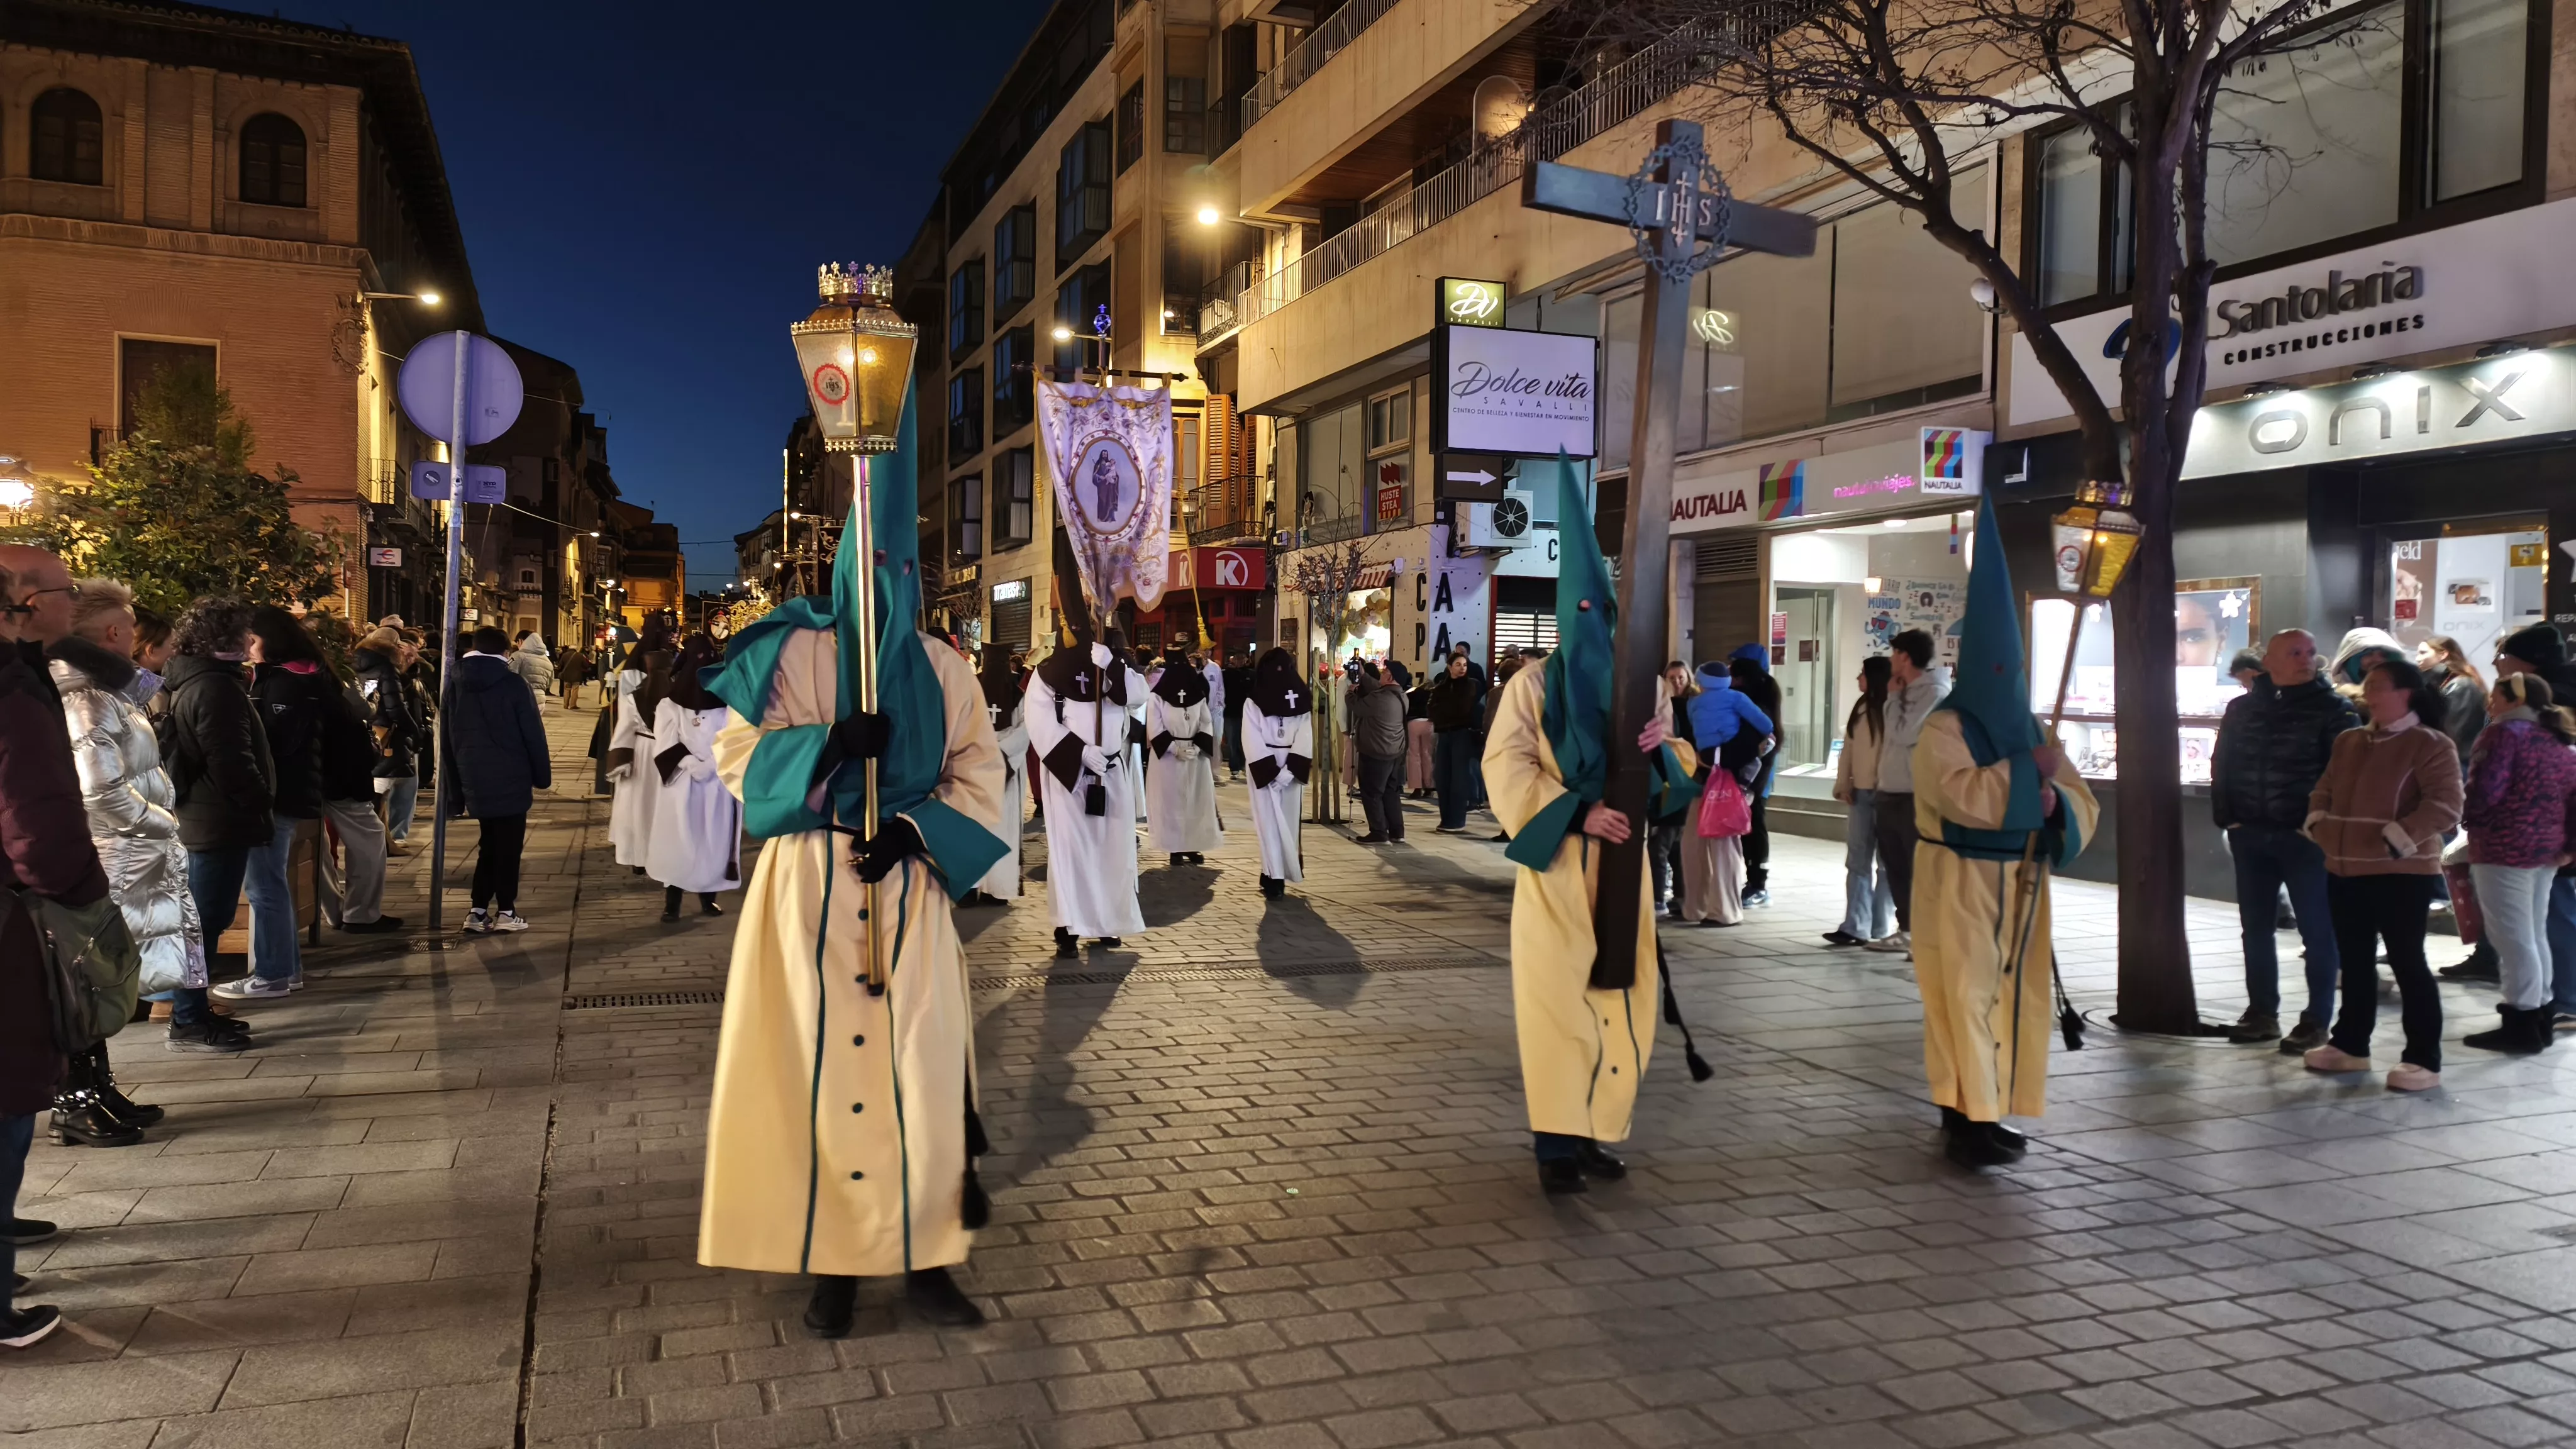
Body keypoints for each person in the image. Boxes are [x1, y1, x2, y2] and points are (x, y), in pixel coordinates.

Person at [696, 407, 1006, 1336]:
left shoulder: (943, 667)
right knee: (818, 1072)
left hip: (907, 892)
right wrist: (827, 747)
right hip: (807, 890)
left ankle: (927, 1257)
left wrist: (914, 830)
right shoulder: (786, 654)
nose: (883, 584)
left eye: (898, 569)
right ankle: (833, 1264)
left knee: (923, 1069)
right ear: (838, 567)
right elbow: (736, 759)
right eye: (868, 566)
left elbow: (981, 773)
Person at [1482, 462, 1696, 1195]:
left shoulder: (1642, 688)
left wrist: (1657, 754)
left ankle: (1599, 1128)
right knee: (1556, 1004)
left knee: (1622, 996)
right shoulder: (1531, 687)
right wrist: (1577, 810)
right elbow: (1506, 768)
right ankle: (1556, 1143)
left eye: (1599, 610)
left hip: (1624, 871)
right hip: (1558, 871)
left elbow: (1675, 770)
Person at [1907, 502, 2102, 1169]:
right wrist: (2026, 779)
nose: (2006, 682)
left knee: (2012, 995)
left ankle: (1991, 1108)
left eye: (2013, 671)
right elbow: (1958, 795)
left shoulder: (2032, 727)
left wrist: (2054, 803)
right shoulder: (1943, 728)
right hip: (1958, 881)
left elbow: (2079, 799)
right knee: (1963, 996)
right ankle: (1962, 1115)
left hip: (2020, 881)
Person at [1, 557, 119, 1347]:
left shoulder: (33, 679)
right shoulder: (13, 695)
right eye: (63, 590)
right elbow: (38, 823)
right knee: (7, 1103)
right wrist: (81, 893)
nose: (73, 601)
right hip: (15, 918)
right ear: (20, 602)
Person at [47, 579, 191, 1142]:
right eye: (130, 626)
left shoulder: (106, 691)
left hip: (120, 852)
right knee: (88, 978)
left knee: (102, 977)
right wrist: (163, 823)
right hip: (112, 854)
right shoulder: (87, 697)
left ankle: (99, 1089)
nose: (136, 636)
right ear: (113, 632)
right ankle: (76, 1102)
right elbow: (100, 790)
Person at [2300, 659, 2462, 1092]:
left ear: (2406, 693)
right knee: (2353, 962)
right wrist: (2319, 822)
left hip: (2401, 872)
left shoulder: (2430, 744)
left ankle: (2423, 1058)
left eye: (2378, 686)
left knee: (2408, 962)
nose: (2368, 694)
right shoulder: (2350, 740)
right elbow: (2324, 787)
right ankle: (2350, 1045)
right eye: (2367, 686)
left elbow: (2446, 804)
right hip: (2344, 867)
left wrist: (2397, 838)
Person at [2208, 628, 2358, 1051]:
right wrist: (2227, 817)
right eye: (2294, 652)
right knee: (2255, 929)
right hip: (2250, 833)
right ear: (2269, 662)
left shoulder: (2334, 709)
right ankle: (2262, 1013)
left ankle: (2316, 1021)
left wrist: (2319, 824)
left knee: (2317, 932)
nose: (2306, 659)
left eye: (2310, 651)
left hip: (2306, 839)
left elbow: (2345, 774)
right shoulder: (2242, 709)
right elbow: (2223, 763)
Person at [155, 596, 267, 1053]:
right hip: (216, 820)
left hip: (207, 818)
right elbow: (230, 760)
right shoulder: (215, 687)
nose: (251, 641)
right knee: (203, 923)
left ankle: (193, 1012)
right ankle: (188, 1019)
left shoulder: (198, 680)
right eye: (243, 632)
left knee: (203, 921)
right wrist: (259, 801)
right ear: (225, 639)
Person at [210, 606, 334, 1002]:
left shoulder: (287, 682)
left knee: (264, 886)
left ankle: (272, 974)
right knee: (270, 884)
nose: (247, 646)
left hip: (277, 795)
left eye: (253, 638)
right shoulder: (292, 676)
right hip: (288, 793)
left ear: (271, 639)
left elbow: (276, 744)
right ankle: (285, 970)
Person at [2457, 674, 2576, 1054]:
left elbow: (2485, 792)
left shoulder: (2502, 735)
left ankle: (2521, 1022)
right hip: (2547, 851)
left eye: (2496, 695)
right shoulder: (2557, 738)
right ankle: (2540, 1015)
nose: (2490, 702)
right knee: (2533, 934)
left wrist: (2470, 822)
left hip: (2503, 850)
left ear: (2515, 699)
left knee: (2512, 938)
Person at [1027, 628, 1145, 954]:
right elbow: (1038, 721)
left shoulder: (1112, 664)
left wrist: (1112, 665)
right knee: (1073, 851)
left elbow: (1139, 695)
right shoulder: (1049, 672)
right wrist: (1080, 753)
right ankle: (1069, 924)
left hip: (1111, 772)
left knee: (1112, 850)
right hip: (1071, 776)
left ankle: (1107, 922)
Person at [442, 626, 552, 933]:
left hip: (473, 776)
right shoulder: (514, 684)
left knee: (489, 844)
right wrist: (542, 777)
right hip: (511, 776)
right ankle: (506, 910)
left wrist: (454, 789)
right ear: (506, 652)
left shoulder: (455, 685)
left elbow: (447, 739)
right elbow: (533, 735)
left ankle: (478, 911)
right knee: (509, 848)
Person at [2493, 625, 2576, 1026]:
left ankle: (2560, 1000)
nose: (2498, 665)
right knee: (2547, 915)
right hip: (2556, 827)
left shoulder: (2546, 703)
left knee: (2548, 917)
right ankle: (2551, 1000)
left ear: (2527, 663)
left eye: (2504, 657)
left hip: (2542, 828)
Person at [1867, 628, 1951, 956]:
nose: (1891, 660)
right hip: (1890, 790)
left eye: (1894, 654)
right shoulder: (1903, 690)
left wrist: (1891, 698)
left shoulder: (1935, 692)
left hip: (1915, 793)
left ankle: (1927, 935)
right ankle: (1907, 931)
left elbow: (1904, 735)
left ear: (1905, 656)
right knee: (1895, 866)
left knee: (1919, 867)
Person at [648, 634, 740, 922]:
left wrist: (712, 764)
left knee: (713, 840)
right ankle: (672, 902)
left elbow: (734, 738)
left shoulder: (728, 703)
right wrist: (690, 762)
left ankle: (709, 898)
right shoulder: (670, 705)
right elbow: (664, 742)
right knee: (680, 842)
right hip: (682, 784)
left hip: (717, 782)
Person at [1679, 659, 1770, 928]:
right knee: (1695, 845)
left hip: (1727, 783)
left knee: (1721, 846)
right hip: (1708, 780)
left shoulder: (1725, 703)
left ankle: (1723, 910)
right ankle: (1700, 906)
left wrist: (1713, 756)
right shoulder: (1733, 701)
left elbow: (1757, 742)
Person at [1826, 656, 1896, 947]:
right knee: (1857, 861)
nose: (1858, 679)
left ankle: (1882, 926)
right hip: (1861, 794)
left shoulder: (1894, 708)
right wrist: (1843, 784)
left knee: (1886, 863)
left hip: (1889, 795)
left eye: (1863, 674)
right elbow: (1848, 751)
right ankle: (1855, 926)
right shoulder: (1861, 708)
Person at [1242, 648, 1313, 898]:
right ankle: (1273, 872)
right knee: (1280, 822)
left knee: (1270, 823)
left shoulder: (1253, 700)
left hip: (1269, 764)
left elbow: (1251, 738)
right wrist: (1289, 770)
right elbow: (1305, 736)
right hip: (1285, 767)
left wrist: (1274, 772)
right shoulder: (1301, 697)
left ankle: (1275, 876)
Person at [607, 619, 676, 874]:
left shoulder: (631, 673)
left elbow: (626, 719)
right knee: (660, 805)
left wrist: (620, 753)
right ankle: (661, 855)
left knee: (638, 805)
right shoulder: (673, 674)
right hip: (666, 748)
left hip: (641, 747)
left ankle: (639, 855)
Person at [1144, 649, 1221, 865]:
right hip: (1169, 759)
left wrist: (1197, 746)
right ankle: (1174, 848)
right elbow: (1155, 727)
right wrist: (1174, 749)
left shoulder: (1198, 695)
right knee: (1172, 803)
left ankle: (1192, 845)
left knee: (1195, 801)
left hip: (1195, 758)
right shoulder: (1158, 696)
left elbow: (1206, 721)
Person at [352, 626, 423, 857]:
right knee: (379, 796)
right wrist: (415, 731)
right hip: (387, 738)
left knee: (377, 793)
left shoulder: (354, 665)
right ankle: (379, 844)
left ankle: (385, 841)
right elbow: (396, 709)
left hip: (364, 734)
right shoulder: (386, 669)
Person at [1726, 645, 1784, 906]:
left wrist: (1751, 784)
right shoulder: (1754, 694)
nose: (1730, 672)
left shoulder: (1757, 701)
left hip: (1756, 778)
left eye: (1734, 667)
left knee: (1755, 825)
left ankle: (1758, 885)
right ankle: (1752, 882)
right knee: (1747, 827)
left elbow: (1765, 744)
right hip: (1749, 776)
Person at [967, 660, 1028, 906]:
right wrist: (1000, 752)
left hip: (982, 766)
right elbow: (1025, 730)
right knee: (984, 828)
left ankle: (990, 887)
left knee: (978, 828)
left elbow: (1027, 730)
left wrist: (986, 751)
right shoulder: (1016, 695)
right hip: (993, 763)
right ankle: (981, 886)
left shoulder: (974, 688)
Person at [1649, 662, 1696, 912]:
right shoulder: (1677, 710)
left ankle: (1659, 898)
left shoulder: (1688, 710)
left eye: (1681, 677)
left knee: (1661, 844)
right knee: (1675, 844)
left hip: (1674, 782)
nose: (1677, 682)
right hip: (1674, 781)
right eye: (1672, 678)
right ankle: (1681, 897)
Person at [1349, 659, 1409, 845]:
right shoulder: (1400, 695)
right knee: (1390, 792)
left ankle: (1379, 832)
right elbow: (1378, 687)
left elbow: (1357, 707)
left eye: (1384, 672)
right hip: (1394, 753)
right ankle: (1397, 832)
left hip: (1376, 752)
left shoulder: (1380, 698)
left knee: (1372, 793)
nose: (1382, 674)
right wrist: (1364, 676)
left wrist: (1350, 692)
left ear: (1390, 677)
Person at [1428, 653, 1484, 835]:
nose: (1462, 668)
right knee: (1442, 776)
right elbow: (1432, 711)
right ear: (1449, 666)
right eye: (1458, 664)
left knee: (1459, 778)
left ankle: (1457, 820)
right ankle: (1446, 819)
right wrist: (1445, 712)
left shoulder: (1471, 685)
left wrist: (1445, 711)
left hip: (1462, 734)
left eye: (1465, 665)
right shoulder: (1440, 688)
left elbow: (1463, 709)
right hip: (1444, 734)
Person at [2417, 635, 2487, 769]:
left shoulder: (2461, 685)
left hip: (2458, 761)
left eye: (2423, 653)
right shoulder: (2444, 682)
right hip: (2451, 759)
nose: (2418, 658)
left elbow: (2453, 730)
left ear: (2443, 654)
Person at [1221, 650, 1254, 780]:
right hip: (1230, 713)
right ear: (1233, 660)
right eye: (1237, 658)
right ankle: (1235, 768)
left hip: (1247, 714)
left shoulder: (1252, 674)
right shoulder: (1226, 674)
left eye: (1242, 658)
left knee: (1247, 741)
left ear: (1246, 660)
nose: (1239, 661)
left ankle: (1246, 766)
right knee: (1232, 742)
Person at [1403, 669, 1435, 799]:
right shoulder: (1433, 694)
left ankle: (1417, 788)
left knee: (1414, 756)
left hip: (1413, 723)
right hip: (1429, 724)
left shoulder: (1412, 693)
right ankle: (1429, 787)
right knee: (1427, 755)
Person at [508, 630, 555, 710]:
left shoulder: (518, 656)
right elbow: (550, 682)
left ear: (521, 641)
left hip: (521, 698)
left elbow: (509, 676)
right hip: (540, 700)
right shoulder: (547, 660)